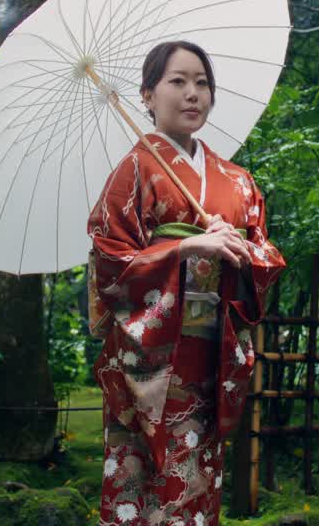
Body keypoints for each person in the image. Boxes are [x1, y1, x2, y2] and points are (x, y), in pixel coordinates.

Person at [88, 41, 287, 526]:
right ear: (147, 95)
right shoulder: (133, 171)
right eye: (177, 81)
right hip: (151, 357)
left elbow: (267, 256)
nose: (192, 93)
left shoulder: (238, 181)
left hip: (210, 350)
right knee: (142, 471)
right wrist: (183, 248)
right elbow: (109, 259)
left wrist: (240, 250)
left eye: (202, 82)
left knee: (198, 474)